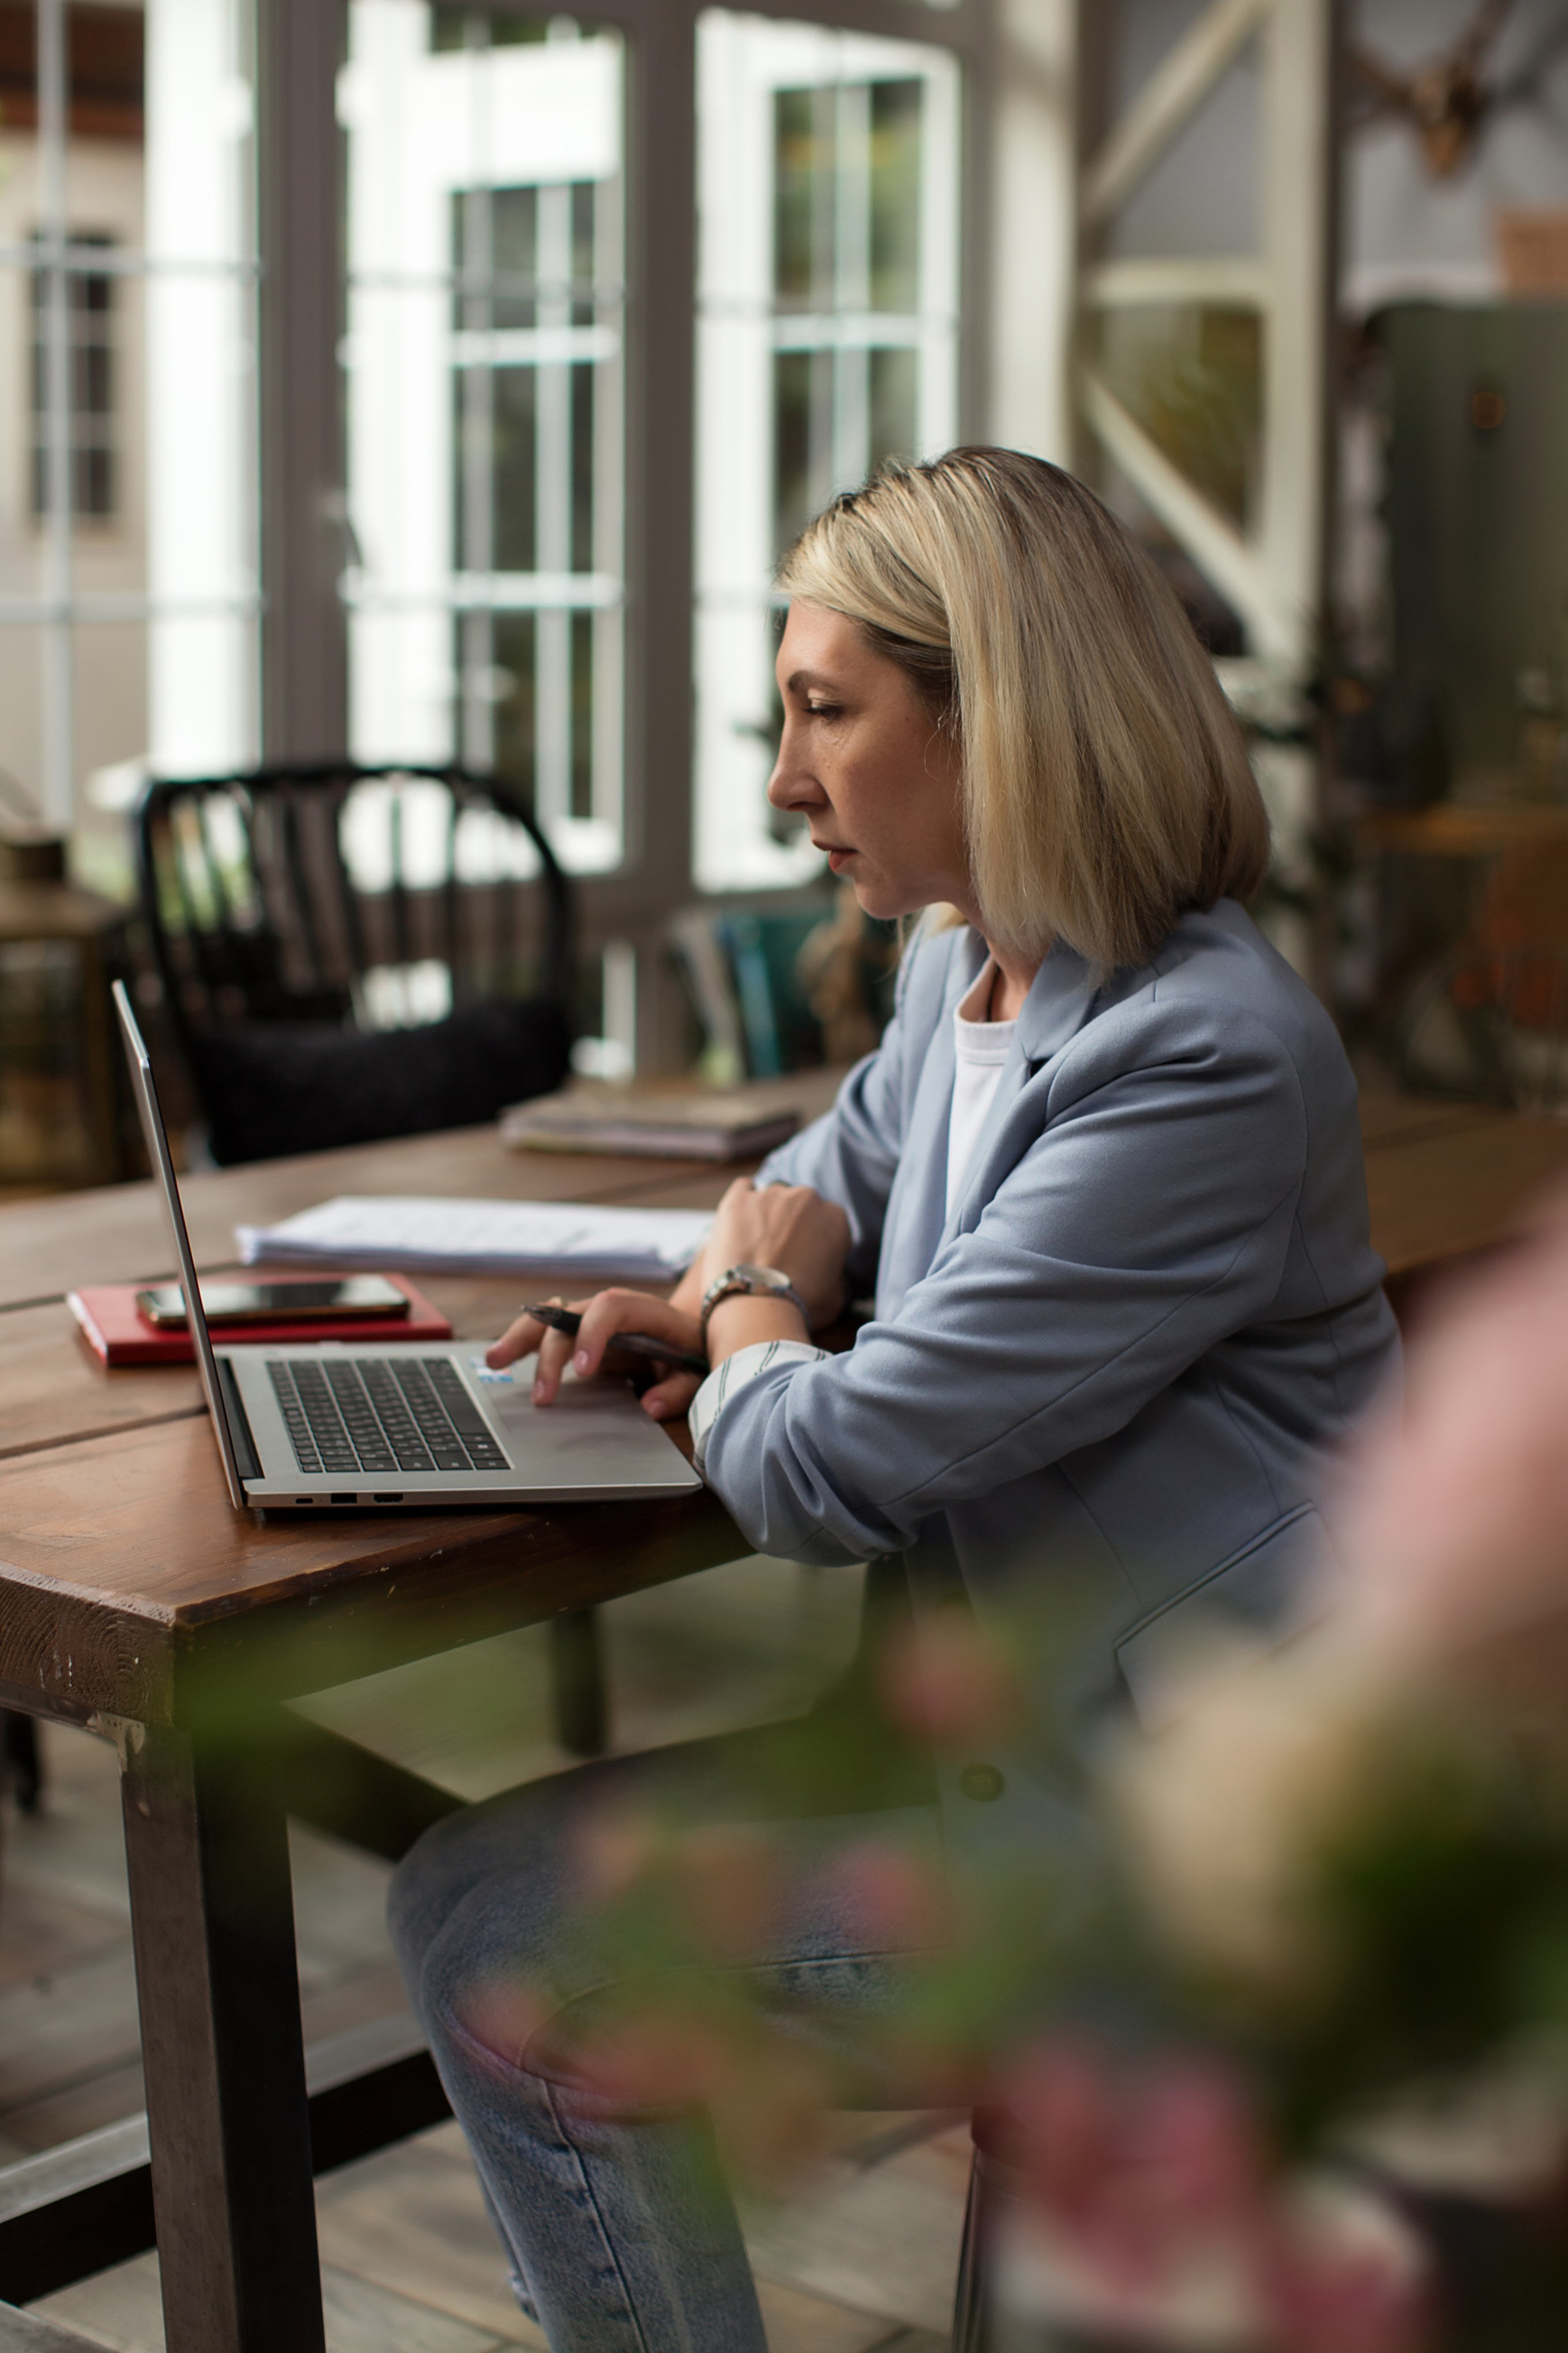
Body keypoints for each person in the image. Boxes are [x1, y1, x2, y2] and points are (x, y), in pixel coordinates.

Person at [388, 448, 1400, 2352]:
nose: (785, 781)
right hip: (1019, 1764)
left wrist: (758, 1300)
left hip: (1170, 1844)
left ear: (996, 720)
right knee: (460, 1896)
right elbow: (813, 1179)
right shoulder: (970, 968)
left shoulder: (1203, 1057)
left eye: (826, 714)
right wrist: (709, 1295)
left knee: (524, 1956)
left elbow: (820, 1466)